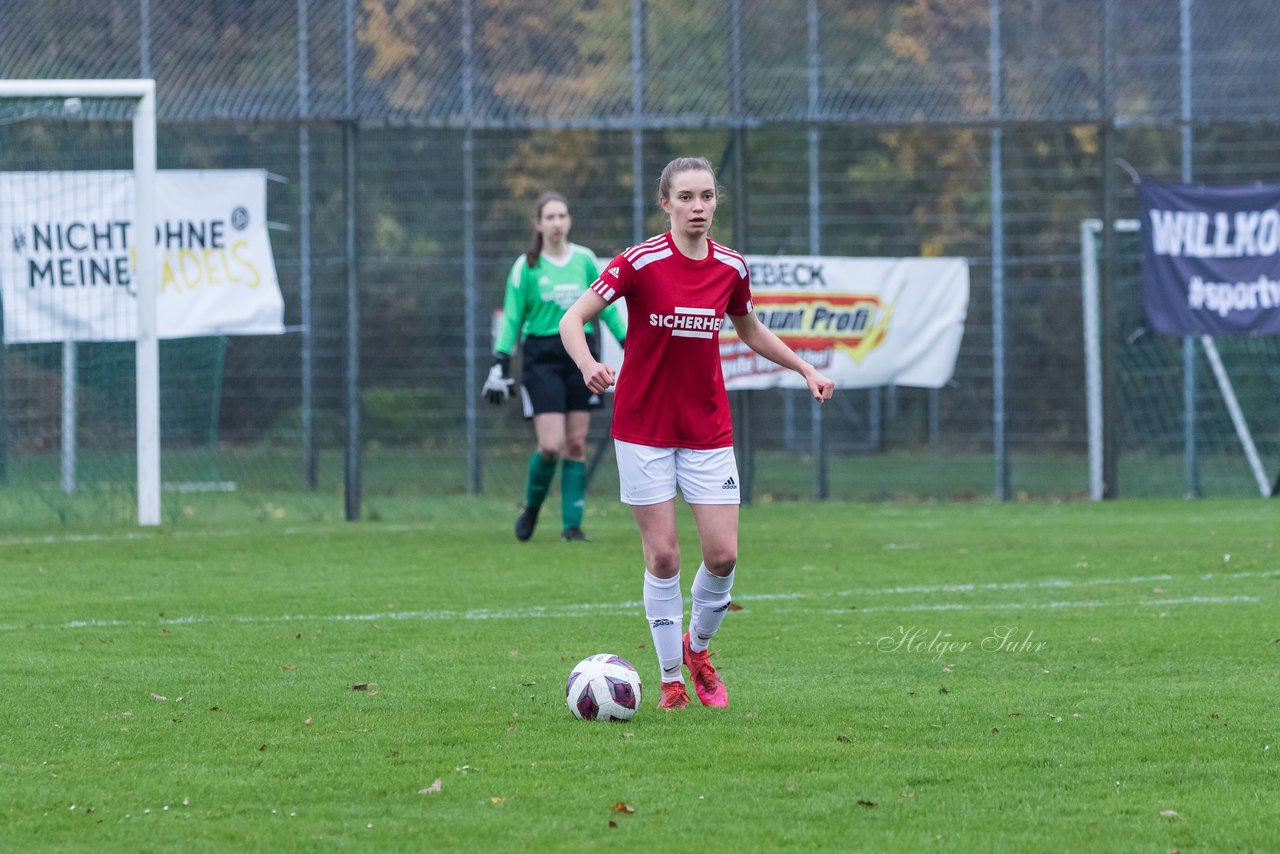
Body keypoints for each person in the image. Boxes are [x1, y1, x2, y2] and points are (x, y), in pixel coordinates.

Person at [558, 157, 835, 710]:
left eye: (707, 197)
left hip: (707, 428)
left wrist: (804, 368)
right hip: (643, 427)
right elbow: (572, 318)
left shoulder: (730, 267)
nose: (699, 207)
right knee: (662, 558)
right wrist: (589, 363)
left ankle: (698, 650)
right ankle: (669, 682)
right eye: (686, 197)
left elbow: (749, 328)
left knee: (724, 555)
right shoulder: (638, 262)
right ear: (666, 203)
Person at [482, 191, 627, 543]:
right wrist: (501, 361)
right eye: (550, 217)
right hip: (541, 357)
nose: (557, 223)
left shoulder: (585, 260)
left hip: (580, 356)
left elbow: (605, 307)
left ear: (569, 220)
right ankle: (532, 507)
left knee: (575, 444)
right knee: (551, 445)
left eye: (562, 216)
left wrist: (631, 342)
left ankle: (572, 527)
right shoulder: (527, 266)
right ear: (539, 223)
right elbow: (513, 316)